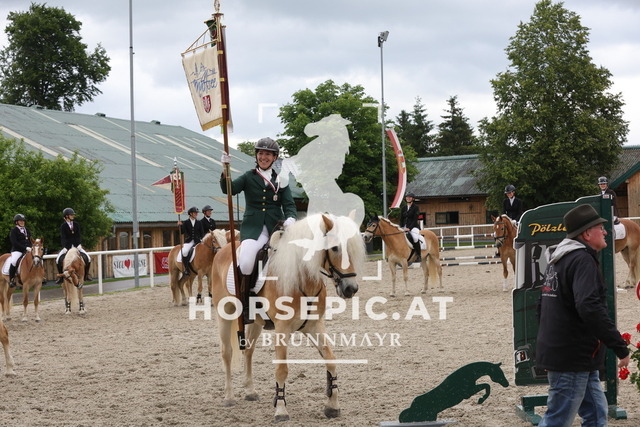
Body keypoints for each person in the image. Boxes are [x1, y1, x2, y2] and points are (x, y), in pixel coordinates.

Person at [536, 204, 630, 426]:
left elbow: (542, 306)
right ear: (587, 234)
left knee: (596, 414)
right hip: (572, 356)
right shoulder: (582, 260)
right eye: (600, 227)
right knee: (558, 420)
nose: (605, 231)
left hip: (573, 354)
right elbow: (589, 306)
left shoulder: (559, 259)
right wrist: (619, 346)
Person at [220, 137, 297, 323]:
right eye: (261, 153)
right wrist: (225, 170)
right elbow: (228, 189)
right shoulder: (249, 177)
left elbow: (289, 204)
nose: (264, 157)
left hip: (276, 229)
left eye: (268, 154)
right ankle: (247, 303)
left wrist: (291, 218)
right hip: (253, 229)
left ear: (274, 157)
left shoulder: (281, 179)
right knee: (247, 261)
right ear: (256, 156)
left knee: (294, 259)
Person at [55, 208, 93, 284]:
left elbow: (78, 235)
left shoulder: (76, 224)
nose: (73, 216)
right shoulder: (63, 226)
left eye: (73, 215)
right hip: (67, 247)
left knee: (88, 258)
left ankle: (86, 275)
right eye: (71, 215)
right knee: (57, 260)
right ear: (66, 216)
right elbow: (63, 237)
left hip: (76, 246)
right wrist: (65, 247)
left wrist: (79, 244)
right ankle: (61, 277)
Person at [2, 214, 32, 288]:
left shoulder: (27, 230)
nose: (22, 222)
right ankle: (11, 279)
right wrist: (25, 248)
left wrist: (31, 247)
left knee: (36, 258)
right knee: (14, 261)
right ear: (16, 222)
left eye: (23, 221)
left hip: (28, 249)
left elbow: (30, 240)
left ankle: (40, 276)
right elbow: (14, 242)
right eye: (20, 221)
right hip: (17, 250)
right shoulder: (14, 230)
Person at [179, 206, 205, 276]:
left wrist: (201, 239)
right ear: (191, 214)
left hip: (198, 241)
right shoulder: (186, 222)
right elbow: (182, 232)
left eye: (196, 213)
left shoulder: (199, 222)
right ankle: (186, 269)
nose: (196, 214)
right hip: (189, 241)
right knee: (184, 252)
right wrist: (180, 226)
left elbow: (202, 233)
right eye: (195, 213)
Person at [400, 192, 421, 263]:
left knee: (415, 238)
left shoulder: (416, 207)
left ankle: (418, 255)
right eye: (407, 197)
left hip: (413, 227)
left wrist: (409, 228)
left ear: (413, 199)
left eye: (410, 197)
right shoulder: (403, 208)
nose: (408, 198)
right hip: (404, 227)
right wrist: (401, 227)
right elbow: (401, 219)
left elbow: (415, 219)